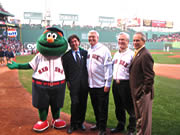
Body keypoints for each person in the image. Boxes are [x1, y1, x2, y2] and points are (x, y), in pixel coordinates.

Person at [87, 30, 113, 135]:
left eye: (93, 37)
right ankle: (98, 124)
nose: (91, 39)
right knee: (95, 106)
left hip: (101, 85)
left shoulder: (104, 50)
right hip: (91, 84)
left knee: (102, 108)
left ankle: (102, 129)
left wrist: (107, 84)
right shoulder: (89, 50)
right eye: (89, 37)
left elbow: (108, 68)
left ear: (98, 37)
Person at [62, 34, 89, 134]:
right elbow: (65, 71)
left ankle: (80, 123)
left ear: (79, 42)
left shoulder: (85, 53)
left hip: (84, 84)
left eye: (75, 41)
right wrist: (68, 81)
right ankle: (73, 124)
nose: (74, 43)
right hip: (73, 85)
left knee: (83, 104)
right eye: (72, 42)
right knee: (74, 104)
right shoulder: (66, 56)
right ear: (70, 44)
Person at [111, 32, 136, 135]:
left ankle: (131, 129)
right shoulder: (116, 54)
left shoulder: (132, 54)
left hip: (126, 83)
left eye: (123, 40)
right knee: (118, 106)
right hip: (115, 84)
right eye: (120, 39)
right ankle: (120, 125)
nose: (121, 41)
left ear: (128, 41)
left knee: (130, 108)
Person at [130, 32, 155, 135]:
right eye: (134, 40)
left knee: (144, 121)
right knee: (140, 118)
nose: (135, 42)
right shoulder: (138, 52)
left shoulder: (145, 54)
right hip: (137, 92)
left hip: (142, 94)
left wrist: (143, 92)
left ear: (143, 41)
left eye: (138, 40)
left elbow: (149, 77)